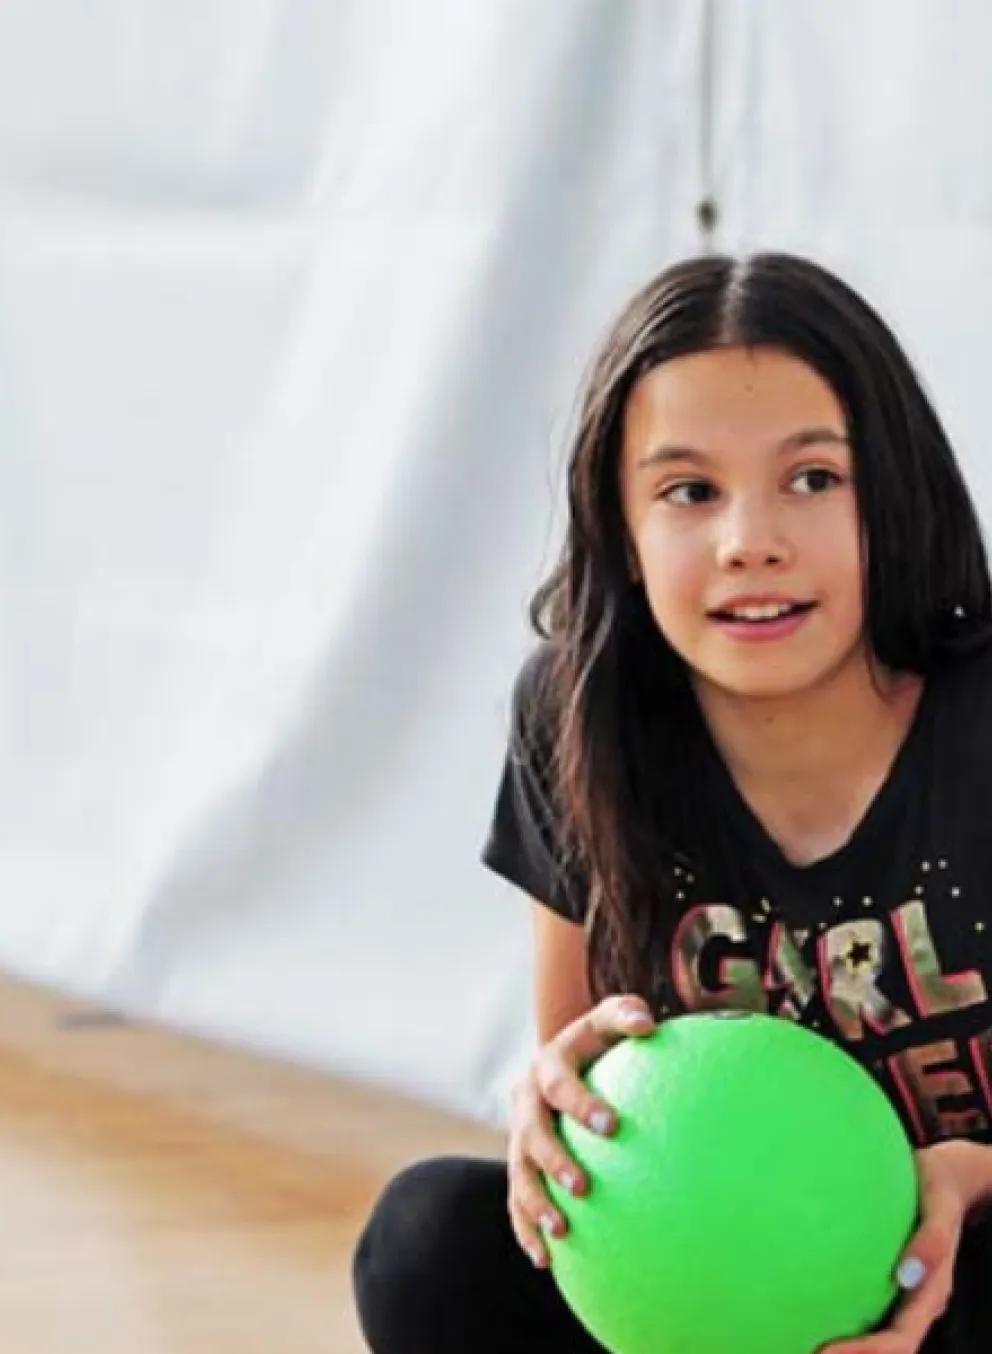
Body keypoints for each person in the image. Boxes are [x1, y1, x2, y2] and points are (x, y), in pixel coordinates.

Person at [351, 252, 992, 1354]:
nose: (750, 539)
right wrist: (551, 1099)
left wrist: (972, 1176)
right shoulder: (576, 712)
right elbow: (574, 1076)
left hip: (953, 1273)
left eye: (811, 478)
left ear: (892, 492)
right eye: (688, 491)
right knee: (428, 1236)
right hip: (710, 1281)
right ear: (623, 529)